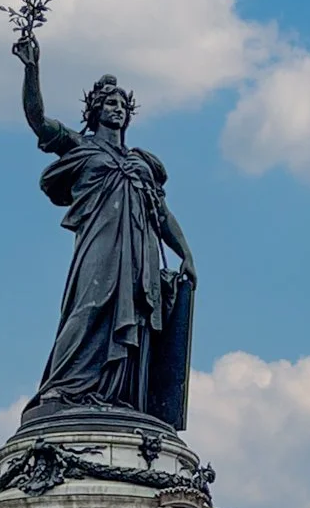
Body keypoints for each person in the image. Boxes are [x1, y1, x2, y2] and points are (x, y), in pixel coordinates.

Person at [13, 32, 197, 419]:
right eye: (109, 103)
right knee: (90, 305)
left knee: (138, 316)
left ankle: (120, 397)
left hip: (140, 251)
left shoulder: (142, 162)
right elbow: (37, 121)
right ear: (95, 110)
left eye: (122, 105)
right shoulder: (81, 147)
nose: (117, 109)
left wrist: (186, 253)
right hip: (101, 243)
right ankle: (61, 388)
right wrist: (32, 69)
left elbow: (160, 214)